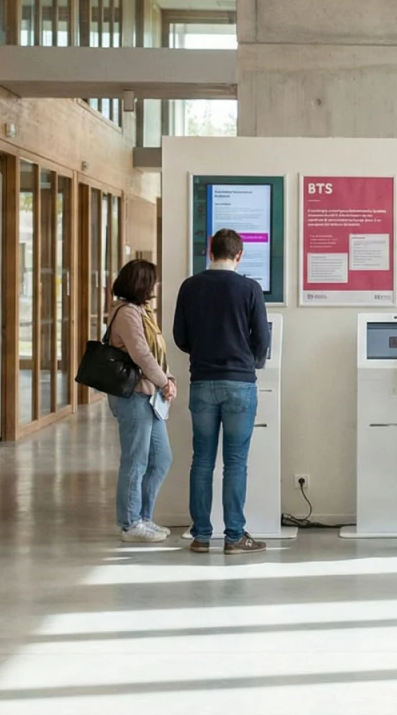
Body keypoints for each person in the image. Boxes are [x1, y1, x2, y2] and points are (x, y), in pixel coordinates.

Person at [173, 228, 272, 555]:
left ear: (210, 252)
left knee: (201, 460)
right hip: (240, 384)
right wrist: (249, 363)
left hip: (202, 381)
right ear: (239, 255)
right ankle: (234, 536)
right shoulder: (250, 288)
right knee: (235, 462)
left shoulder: (190, 286)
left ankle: (201, 535)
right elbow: (262, 339)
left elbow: (180, 336)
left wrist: (202, 353)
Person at [106, 260, 176, 543]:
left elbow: (156, 353)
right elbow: (141, 355)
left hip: (149, 395)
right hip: (134, 396)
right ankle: (130, 523)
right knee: (135, 461)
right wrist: (164, 382)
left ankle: (144, 517)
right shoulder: (126, 314)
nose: (154, 287)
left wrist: (167, 379)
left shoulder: (141, 312)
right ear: (142, 284)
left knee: (161, 458)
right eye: (152, 282)